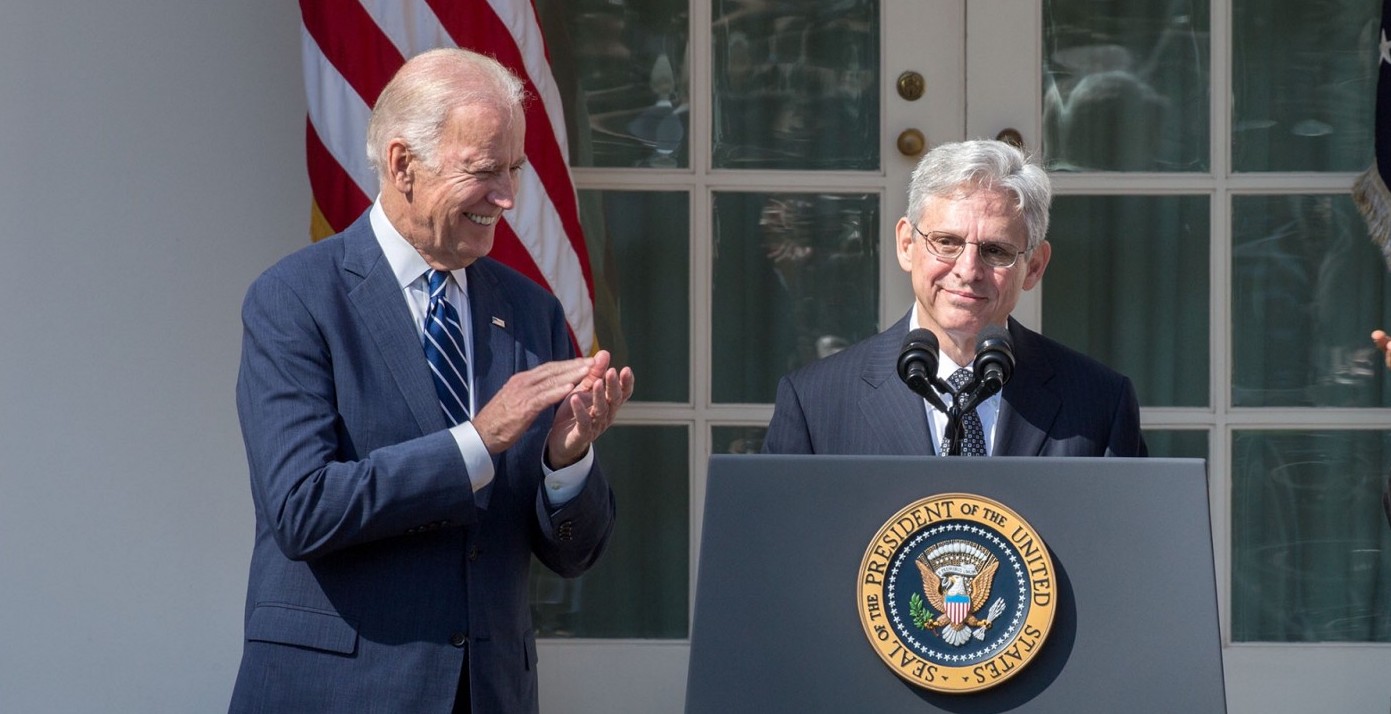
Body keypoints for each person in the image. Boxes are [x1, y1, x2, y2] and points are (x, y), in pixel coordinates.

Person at [229, 48, 634, 713]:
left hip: (488, 692)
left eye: (514, 170)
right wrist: (479, 440)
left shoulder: (530, 311)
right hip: (337, 693)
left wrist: (567, 460)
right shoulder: (296, 300)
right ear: (400, 164)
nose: (506, 197)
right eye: (482, 171)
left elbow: (573, 556)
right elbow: (302, 510)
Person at [762, 139, 1145, 457]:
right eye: (946, 242)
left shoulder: (1098, 403)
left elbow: (1129, 543)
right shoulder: (816, 402)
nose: (968, 270)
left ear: (1034, 267)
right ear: (906, 245)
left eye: (995, 251)